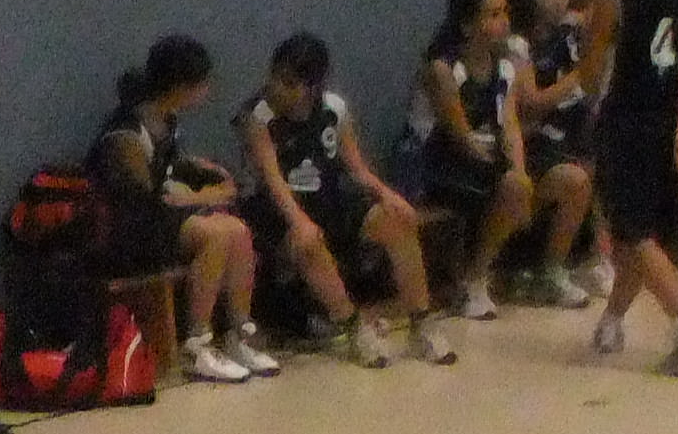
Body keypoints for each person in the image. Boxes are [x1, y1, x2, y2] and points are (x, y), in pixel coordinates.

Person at [237, 33, 456, 366]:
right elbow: (273, 180)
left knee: (398, 221)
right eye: (276, 77)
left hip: (329, 199)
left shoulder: (334, 110)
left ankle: (421, 322)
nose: (278, 88)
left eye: (290, 83)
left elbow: (356, 167)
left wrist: (389, 195)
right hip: (276, 210)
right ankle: (354, 328)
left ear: (312, 87)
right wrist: (300, 221)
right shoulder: (257, 117)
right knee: (307, 241)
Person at [90, 35, 269, 385]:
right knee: (214, 235)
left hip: (156, 223)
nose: (207, 89)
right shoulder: (125, 134)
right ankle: (197, 344)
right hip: (124, 235)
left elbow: (172, 169)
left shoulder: (167, 121)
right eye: (202, 83)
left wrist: (205, 176)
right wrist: (202, 198)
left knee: (237, 230)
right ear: (180, 86)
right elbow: (145, 201)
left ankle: (237, 334)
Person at [583, 0, 678, 373]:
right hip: (671, 122)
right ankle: (612, 321)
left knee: (632, 231)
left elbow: (591, 74)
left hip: (627, 122)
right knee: (644, 233)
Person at [410, 0, 542, 321]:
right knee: (510, 189)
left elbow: (509, 125)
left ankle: (476, 275)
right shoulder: (444, 70)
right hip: (442, 164)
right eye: (493, 15)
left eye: (505, 13)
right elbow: (460, 135)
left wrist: (518, 169)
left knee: (519, 186)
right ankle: (468, 278)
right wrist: (502, 172)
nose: (504, 22)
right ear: (468, 25)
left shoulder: (506, 69)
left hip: (482, 162)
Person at [509, 0, 610, 300]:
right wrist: (580, 74)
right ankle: (547, 269)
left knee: (603, 161)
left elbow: (590, 88)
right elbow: (532, 103)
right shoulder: (518, 44)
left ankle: (596, 257)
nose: (559, 0)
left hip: (567, 135)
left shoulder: (569, 34)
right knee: (577, 180)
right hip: (531, 145)